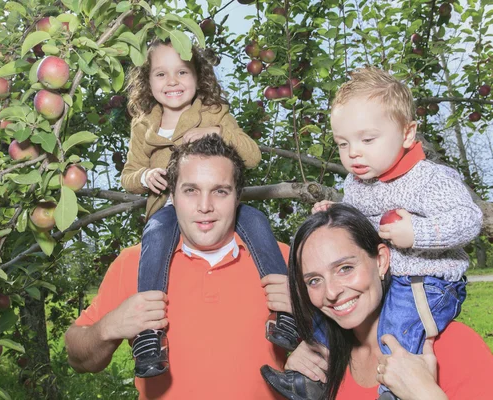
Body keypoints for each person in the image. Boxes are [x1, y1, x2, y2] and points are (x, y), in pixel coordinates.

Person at [262, 67, 483, 399]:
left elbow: (469, 219)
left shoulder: (429, 179)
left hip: (428, 282)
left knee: (396, 336)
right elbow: (355, 223)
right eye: (343, 143)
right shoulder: (358, 182)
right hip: (395, 275)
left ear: (407, 134)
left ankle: (392, 391)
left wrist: (417, 232)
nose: (353, 153)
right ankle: (309, 380)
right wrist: (332, 212)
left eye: (367, 139)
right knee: (322, 320)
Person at [65, 135, 292, 399]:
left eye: (220, 191)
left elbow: (338, 348)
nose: (205, 206)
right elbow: (78, 359)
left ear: (237, 197)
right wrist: (108, 327)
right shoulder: (134, 263)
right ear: (172, 196)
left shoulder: (282, 261)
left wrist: (307, 323)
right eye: (191, 190)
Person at [120, 39, 297, 378]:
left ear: (198, 76)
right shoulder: (143, 125)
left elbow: (252, 156)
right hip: (170, 207)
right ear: (148, 80)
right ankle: (148, 334)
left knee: (257, 221)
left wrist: (217, 131)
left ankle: (286, 311)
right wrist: (146, 176)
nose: (172, 82)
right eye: (161, 74)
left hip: (215, 203)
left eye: (182, 72)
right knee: (155, 235)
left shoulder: (214, 111)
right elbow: (128, 175)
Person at [263, 204, 492, 400]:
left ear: (381, 261)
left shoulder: (455, 346)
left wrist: (425, 393)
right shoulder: (323, 362)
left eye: (345, 268)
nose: (331, 292)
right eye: (314, 280)